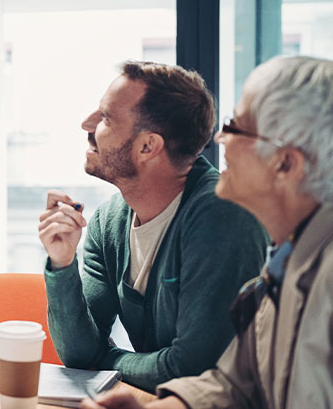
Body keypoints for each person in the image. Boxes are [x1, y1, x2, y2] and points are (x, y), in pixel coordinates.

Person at [81, 55, 333, 409]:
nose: (219, 138)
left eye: (236, 126)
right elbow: (231, 386)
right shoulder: (285, 266)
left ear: (285, 164)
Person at [38, 61, 267, 391]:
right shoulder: (109, 221)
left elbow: (190, 368)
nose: (86, 124)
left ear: (148, 146)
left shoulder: (223, 216)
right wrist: (61, 264)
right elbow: (78, 354)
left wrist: (106, 361)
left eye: (105, 117)